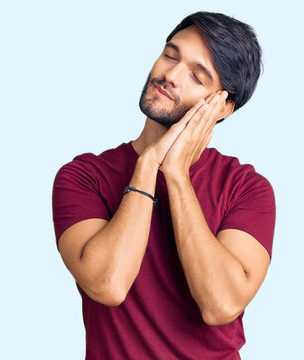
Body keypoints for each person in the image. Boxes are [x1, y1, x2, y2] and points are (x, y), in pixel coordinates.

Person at [51, 11, 274, 360]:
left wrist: (176, 175)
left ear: (221, 107)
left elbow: (221, 304)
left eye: (197, 76)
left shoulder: (246, 188)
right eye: (170, 56)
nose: (170, 76)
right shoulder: (84, 176)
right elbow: (108, 284)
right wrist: (147, 165)